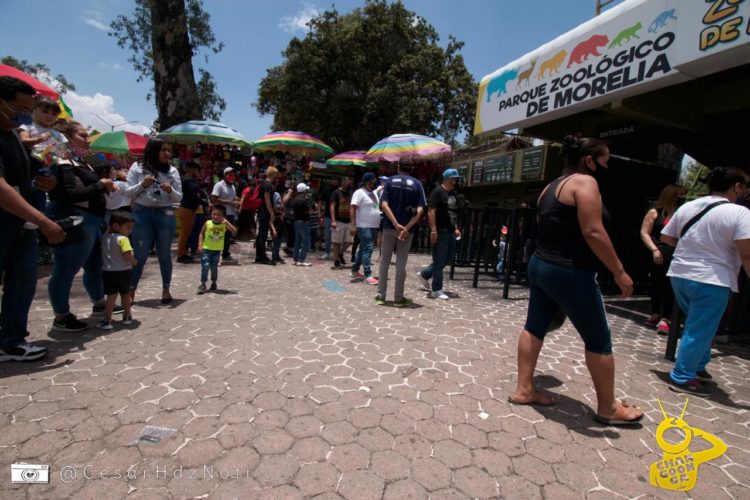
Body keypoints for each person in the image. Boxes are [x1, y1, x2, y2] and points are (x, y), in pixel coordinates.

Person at [510, 135, 643, 427]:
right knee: (599, 339)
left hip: (541, 265)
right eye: (605, 160)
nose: (607, 166)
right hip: (570, 272)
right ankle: (608, 408)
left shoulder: (550, 187)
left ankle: (524, 389)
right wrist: (620, 272)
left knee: (535, 326)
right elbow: (593, 231)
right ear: (589, 160)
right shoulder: (585, 183)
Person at [660, 167, 750, 396]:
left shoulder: (689, 206)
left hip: (679, 274)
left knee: (699, 324)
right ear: (737, 186)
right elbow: (746, 252)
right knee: (699, 328)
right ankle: (682, 376)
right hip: (713, 278)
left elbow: (666, 237)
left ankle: (698, 365)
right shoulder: (740, 213)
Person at [0, 76, 64, 361]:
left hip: (21, 223)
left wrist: (47, 184)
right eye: (21, 108)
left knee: (22, 281)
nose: (24, 115)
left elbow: (33, 172)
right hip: (8, 220)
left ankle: (12, 341)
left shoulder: (15, 135)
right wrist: (43, 220)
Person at [47, 120, 117, 332]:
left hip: (94, 221)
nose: (87, 140)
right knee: (66, 269)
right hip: (77, 220)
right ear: (66, 138)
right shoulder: (62, 161)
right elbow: (70, 194)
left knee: (94, 266)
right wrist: (100, 185)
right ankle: (61, 315)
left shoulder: (81, 161)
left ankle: (99, 302)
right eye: (82, 135)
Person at [126, 138, 182, 304]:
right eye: (163, 150)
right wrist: (142, 185)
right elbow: (128, 192)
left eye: (169, 150)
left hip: (165, 214)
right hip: (142, 214)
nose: (167, 154)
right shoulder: (137, 167)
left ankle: (166, 289)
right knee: (140, 254)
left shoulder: (172, 171)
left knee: (164, 254)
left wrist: (170, 190)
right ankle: (131, 290)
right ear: (153, 151)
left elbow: (179, 196)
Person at [376, 162, 426, 307]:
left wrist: (395, 224)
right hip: (407, 230)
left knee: (384, 260)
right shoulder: (417, 184)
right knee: (401, 263)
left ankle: (380, 295)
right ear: (411, 168)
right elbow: (420, 210)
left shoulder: (389, 182)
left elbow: (384, 205)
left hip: (389, 227)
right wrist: (406, 227)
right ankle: (398, 298)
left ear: (398, 168)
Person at [639, 184, 686, 334]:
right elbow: (644, 232)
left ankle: (666, 317)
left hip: (676, 253)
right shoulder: (655, 212)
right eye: (679, 195)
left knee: (670, 286)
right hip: (659, 251)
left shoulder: (682, 214)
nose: (682, 199)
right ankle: (655, 313)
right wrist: (654, 249)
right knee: (656, 283)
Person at [418, 168, 462, 300]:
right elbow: (431, 211)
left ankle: (425, 274)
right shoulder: (437, 192)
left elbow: (453, 213)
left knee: (447, 259)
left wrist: (456, 228)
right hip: (440, 230)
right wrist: (433, 230)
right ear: (448, 179)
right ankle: (436, 289)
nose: (456, 181)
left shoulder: (453, 193)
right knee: (439, 260)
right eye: (454, 178)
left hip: (450, 231)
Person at [98, 211, 136, 330]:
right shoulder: (123, 239)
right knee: (125, 294)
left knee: (111, 297)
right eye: (128, 228)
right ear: (116, 226)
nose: (130, 231)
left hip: (108, 271)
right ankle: (127, 316)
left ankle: (107, 320)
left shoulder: (104, 237)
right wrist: (134, 262)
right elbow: (127, 255)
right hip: (124, 271)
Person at [197, 205, 237, 294]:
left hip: (217, 251)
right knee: (205, 266)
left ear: (223, 216)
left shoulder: (224, 225)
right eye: (214, 214)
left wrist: (227, 223)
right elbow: (201, 234)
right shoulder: (208, 223)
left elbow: (234, 231)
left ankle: (214, 282)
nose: (215, 216)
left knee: (214, 268)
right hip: (206, 249)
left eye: (218, 215)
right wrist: (200, 244)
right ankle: (203, 283)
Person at [350, 172, 381, 285]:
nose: (375, 182)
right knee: (368, 249)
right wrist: (353, 225)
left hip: (373, 226)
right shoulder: (359, 193)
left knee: (363, 248)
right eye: (373, 181)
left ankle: (354, 269)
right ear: (368, 182)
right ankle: (367, 275)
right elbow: (352, 208)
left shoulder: (373, 193)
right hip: (364, 226)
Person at [211, 167, 239, 264]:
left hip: (230, 213)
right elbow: (214, 199)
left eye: (233, 175)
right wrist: (229, 203)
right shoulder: (219, 185)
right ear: (225, 175)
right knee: (218, 235)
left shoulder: (232, 186)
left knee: (228, 236)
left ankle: (225, 254)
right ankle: (215, 254)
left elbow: (233, 198)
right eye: (229, 174)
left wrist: (235, 203)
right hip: (220, 215)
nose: (232, 177)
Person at [177, 162, 202, 263]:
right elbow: (193, 193)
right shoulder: (187, 180)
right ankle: (181, 254)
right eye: (196, 169)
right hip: (186, 208)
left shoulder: (188, 180)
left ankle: (183, 253)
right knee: (184, 233)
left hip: (190, 208)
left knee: (187, 233)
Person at [255, 166, 278, 265]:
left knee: (261, 234)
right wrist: (271, 212)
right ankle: (262, 256)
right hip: (265, 212)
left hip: (262, 211)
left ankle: (259, 255)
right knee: (263, 235)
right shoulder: (267, 185)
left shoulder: (263, 183)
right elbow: (267, 199)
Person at [330, 176, 353, 269]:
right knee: (336, 242)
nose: (347, 182)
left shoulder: (350, 193)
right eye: (345, 180)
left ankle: (340, 253)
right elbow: (332, 206)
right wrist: (333, 220)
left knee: (349, 241)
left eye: (348, 181)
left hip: (349, 221)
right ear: (342, 182)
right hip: (339, 220)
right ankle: (336, 260)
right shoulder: (336, 193)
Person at [291, 183, 313, 266]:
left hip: (296, 222)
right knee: (306, 241)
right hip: (303, 222)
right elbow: (310, 212)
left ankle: (295, 259)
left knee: (297, 241)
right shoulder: (304, 200)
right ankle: (301, 259)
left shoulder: (294, 199)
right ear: (304, 191)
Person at [319, 178, 338, 260]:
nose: (334, 181)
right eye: (332, 179)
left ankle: (337, 253)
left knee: (337, 236)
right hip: (327, 216)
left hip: (338, 217)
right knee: (327, 235)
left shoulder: (339, 190)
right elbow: (320, 201)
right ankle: (327, 252)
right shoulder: (326, 190)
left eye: (335, 179)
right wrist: (319, 211)